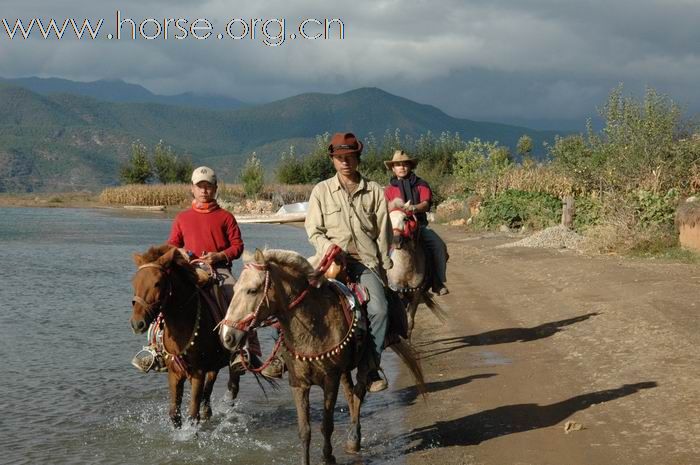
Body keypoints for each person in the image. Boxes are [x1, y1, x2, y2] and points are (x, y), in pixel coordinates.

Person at [305, 132, 393, 393]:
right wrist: (328, 247)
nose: (345, 162)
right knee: (294, 298)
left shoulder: (375, 191)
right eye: (340, 158)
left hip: (364, 262)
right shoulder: (321, 191)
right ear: (333, 160)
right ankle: (280, 358)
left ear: (357, 159)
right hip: (329, 260)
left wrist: (383, 269)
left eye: (350, 157)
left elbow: (383, 234)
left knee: (381, 310)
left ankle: (370, 367)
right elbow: (314, 230)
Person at [384, 150, 449, 295]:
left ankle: (437, 281)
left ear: (410, 166)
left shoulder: (421, 185)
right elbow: (384, 209)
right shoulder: (388, 190)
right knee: (377, 248)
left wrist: (414, 207)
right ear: (393, 168)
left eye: (405, 164)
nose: (402, 167)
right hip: (395, 227)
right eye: (398, 165)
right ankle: (381, 281)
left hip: (418, 225)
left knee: (437, 245)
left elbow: (426, 204)